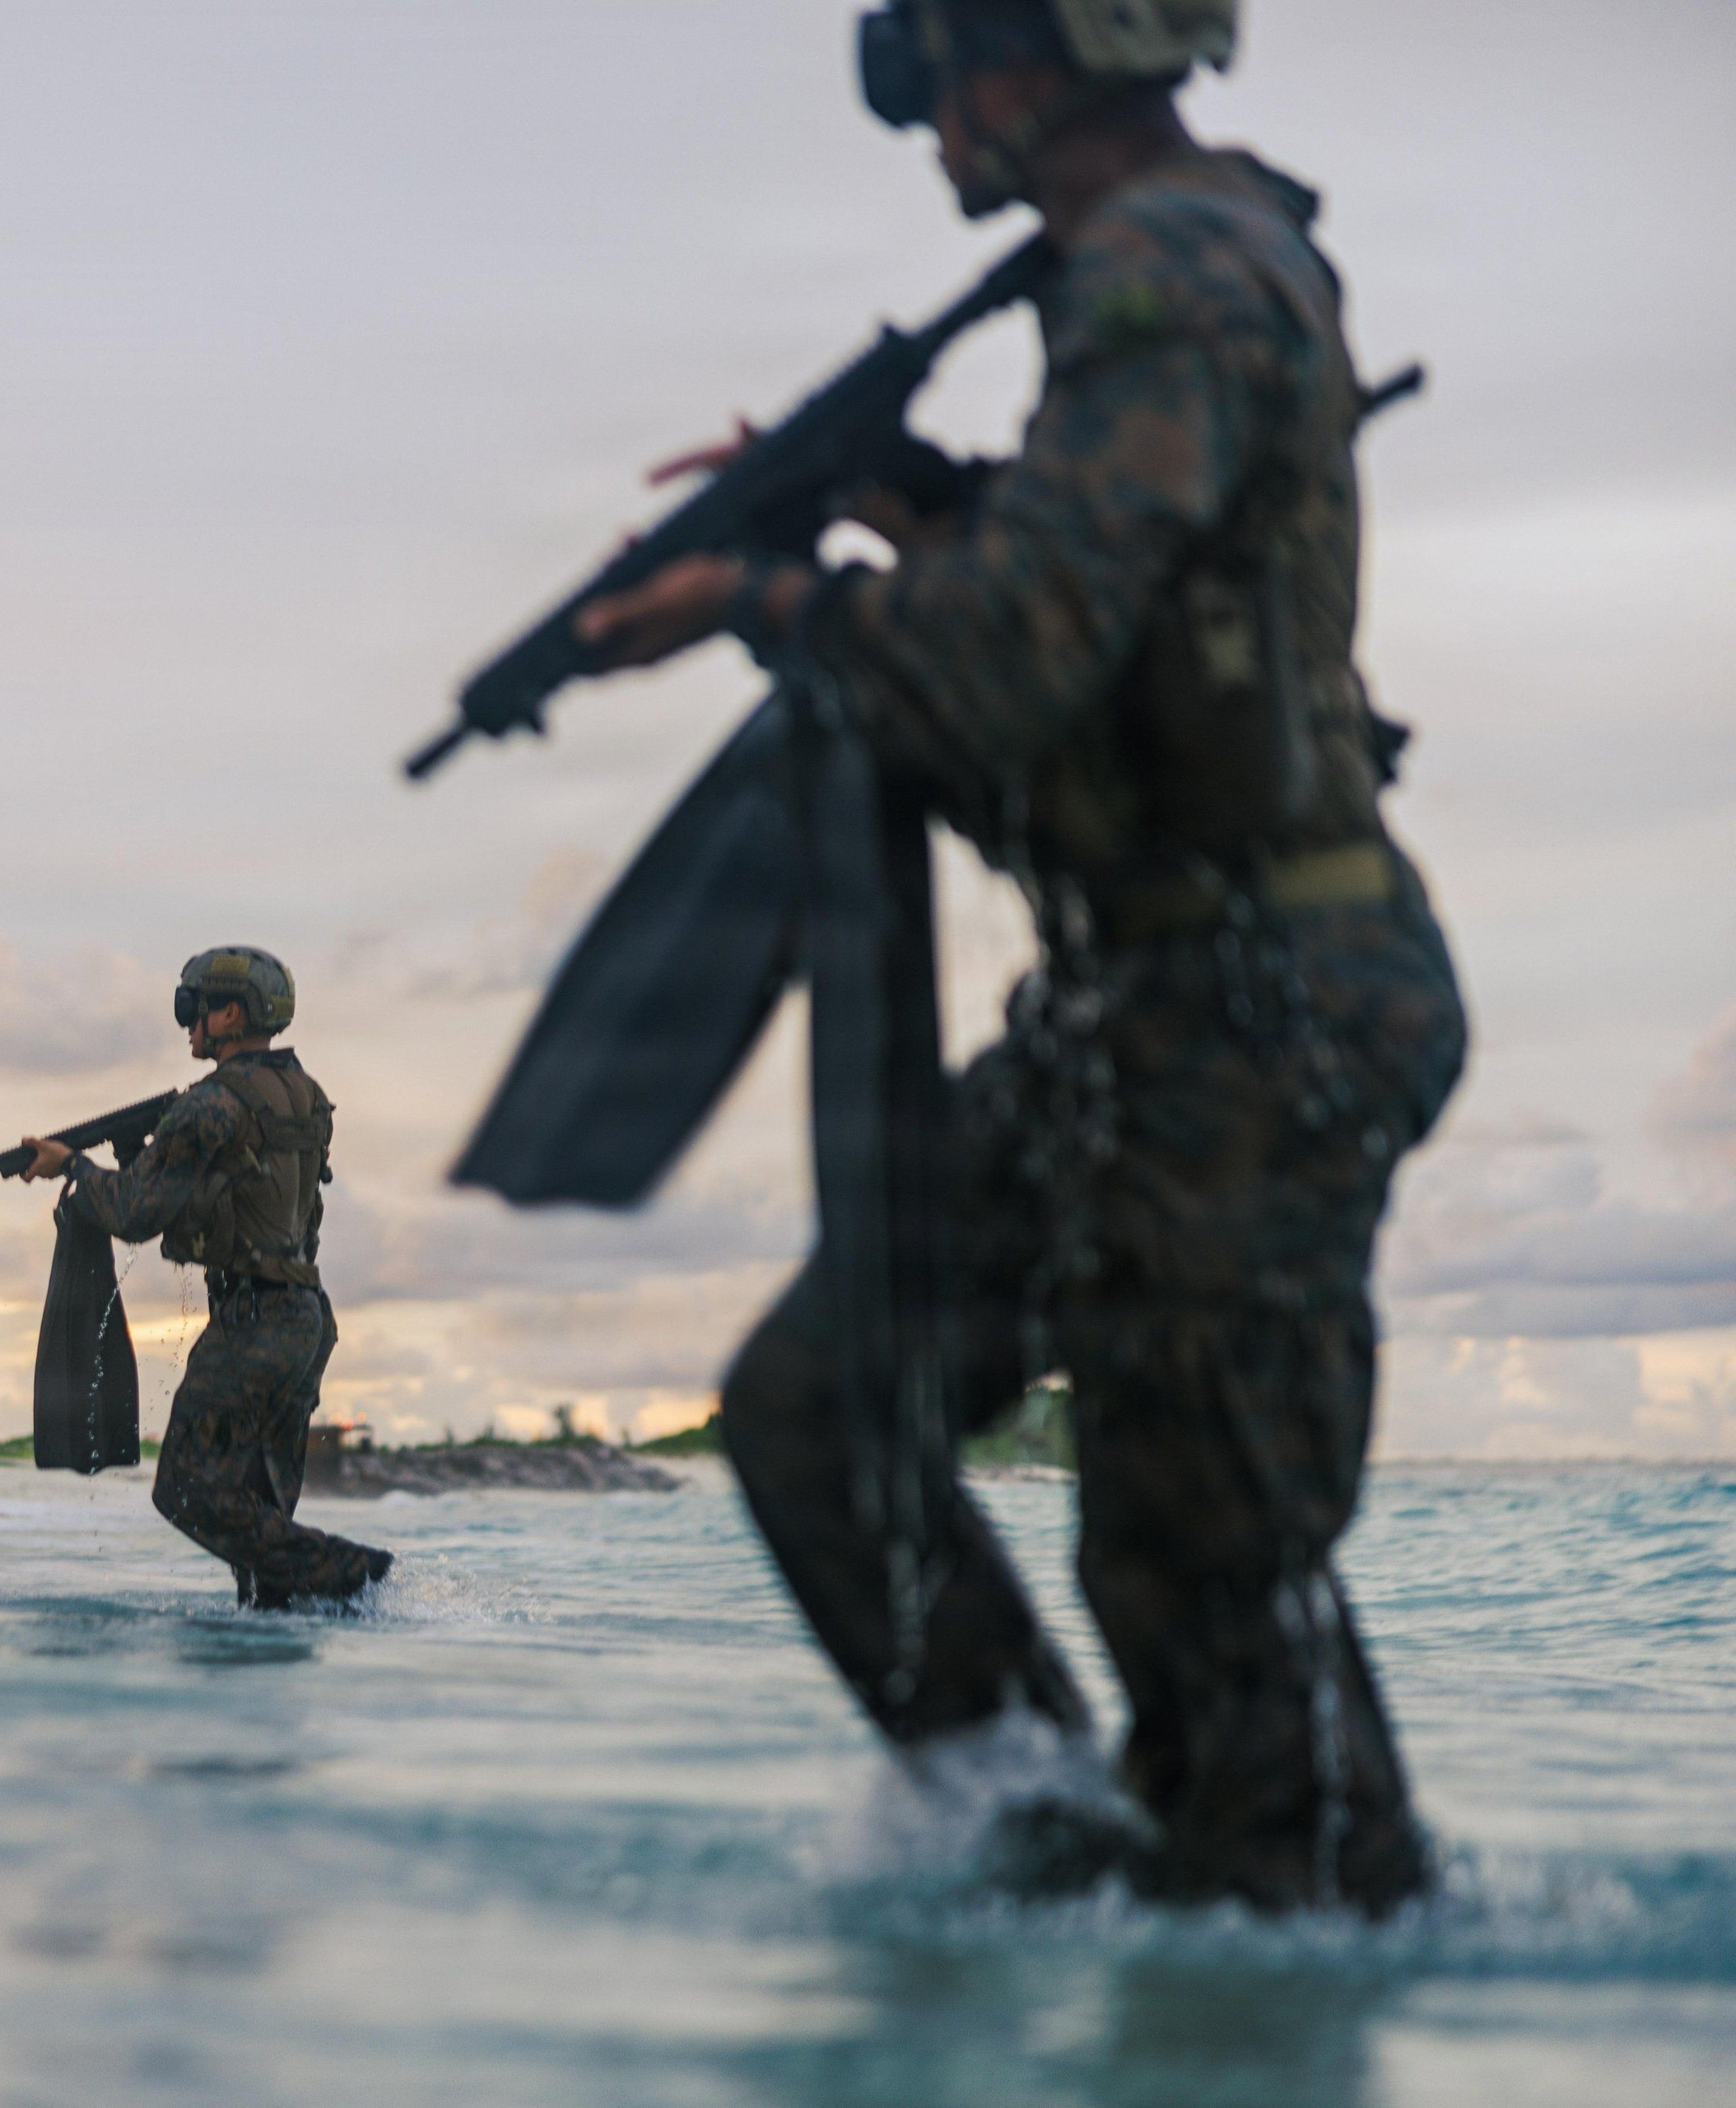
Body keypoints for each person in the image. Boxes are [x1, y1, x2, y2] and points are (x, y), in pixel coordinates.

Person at [562, 0, 1464, 1914]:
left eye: (937, 67)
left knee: (1205, 1565)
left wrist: (762, 596)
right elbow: (1116, 587)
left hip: (1262, 1012)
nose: (930, 124)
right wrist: (894, 490)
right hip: (1130, 1009)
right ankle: (1057, 1849)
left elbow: (1008, 657)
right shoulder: (1154, 272)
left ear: (1034, 55)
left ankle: (1308, 1944)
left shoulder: (1169, 268)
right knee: (820, 1405)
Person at [16, 947, 392, 1608]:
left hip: (252, 1325)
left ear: (231, 1014)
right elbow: (220, 1192)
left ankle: (353, 1570)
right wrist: (137, 1150)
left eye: (192, 1007)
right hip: (304, 1318)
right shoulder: (304, 1094)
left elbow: (136, 1213)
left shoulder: (210, 1105)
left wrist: (73, 1168)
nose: (188, 1024)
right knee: (259, 1514)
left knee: (188, 1492)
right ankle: (279, 1643)